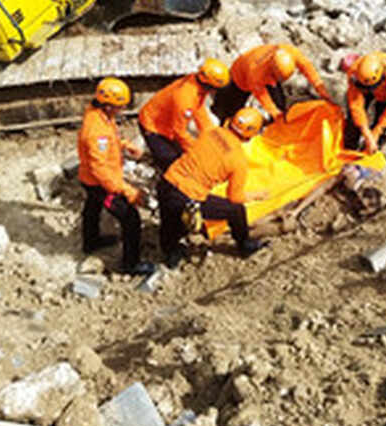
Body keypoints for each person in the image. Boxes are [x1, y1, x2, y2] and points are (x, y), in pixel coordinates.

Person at [157, 107, 267, 268]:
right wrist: (256, 195)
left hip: (167, 183)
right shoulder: (238, 160)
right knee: (236, 210)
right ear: (251, 135)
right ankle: (245, 245)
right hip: (188, 197)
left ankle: (170, 251)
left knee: (169, 219)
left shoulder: (210, 132)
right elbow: (235, 197)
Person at [76, 77, 155, 276]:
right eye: (120, 106)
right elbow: (100, 169)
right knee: (131, 218)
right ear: (108, 105)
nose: (122, 110)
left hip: (89, 178)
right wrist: (125, 189)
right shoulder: (96, 131)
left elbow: (110, 137)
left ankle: (91, 242)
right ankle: (131, 264)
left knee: (92, 208)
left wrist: (124, 145)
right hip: (100, 183)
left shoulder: (97, 114)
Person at [137, 58, 229, 170]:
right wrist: (197, 152)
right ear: (209, 86)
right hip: (153, 126)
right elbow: (179, 132)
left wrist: (210, 135)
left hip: (169, 121)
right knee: (173, 164)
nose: (215, 92)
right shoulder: (185, 98)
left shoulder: (196, 83)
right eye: (215, 89)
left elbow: (199, 110)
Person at [211, 42, 331, 123]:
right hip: (239, 78)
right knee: (229, 110)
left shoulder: (289, 51)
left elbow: (306, 67)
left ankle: (278, 127)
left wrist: (319, 86)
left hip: (265, 74)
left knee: (280, 105)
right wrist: (274, 113)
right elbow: (263, 97)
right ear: (273, 71)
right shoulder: (255, 73)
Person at [343, 51, 386, 154]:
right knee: (353, 121)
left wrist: (378, 130)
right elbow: (356, 105)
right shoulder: (354, 72)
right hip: (363, 85)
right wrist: (365, 131)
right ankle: (349, 149)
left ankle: (372, 151)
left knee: (382, 120)